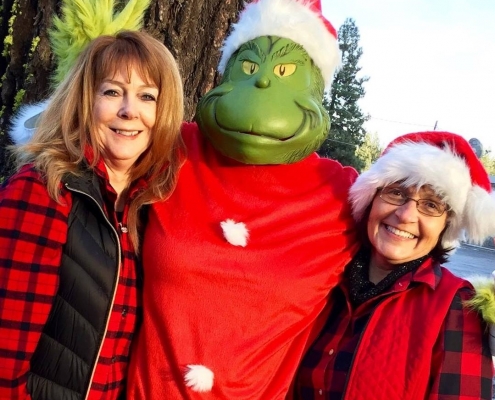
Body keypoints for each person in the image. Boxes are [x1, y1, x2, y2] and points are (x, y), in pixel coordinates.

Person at [126, 1, 360, 399]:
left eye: (284, 71)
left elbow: (403, 267)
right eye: (249, 66)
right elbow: (91, 162)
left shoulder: (342, 194)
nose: (263, 82)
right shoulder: (173, 150)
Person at [0, 30, 184, 400]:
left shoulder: (146, 208)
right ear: (86, 100)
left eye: (147, 96)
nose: (129, 111)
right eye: (113, 92)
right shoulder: (44, 192)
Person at [293, 131, 495, 400]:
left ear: (445, 226)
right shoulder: (324, 282)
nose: (406, 214)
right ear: (371, 199)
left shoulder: (455, 306)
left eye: (431, 205)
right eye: (396, 193)